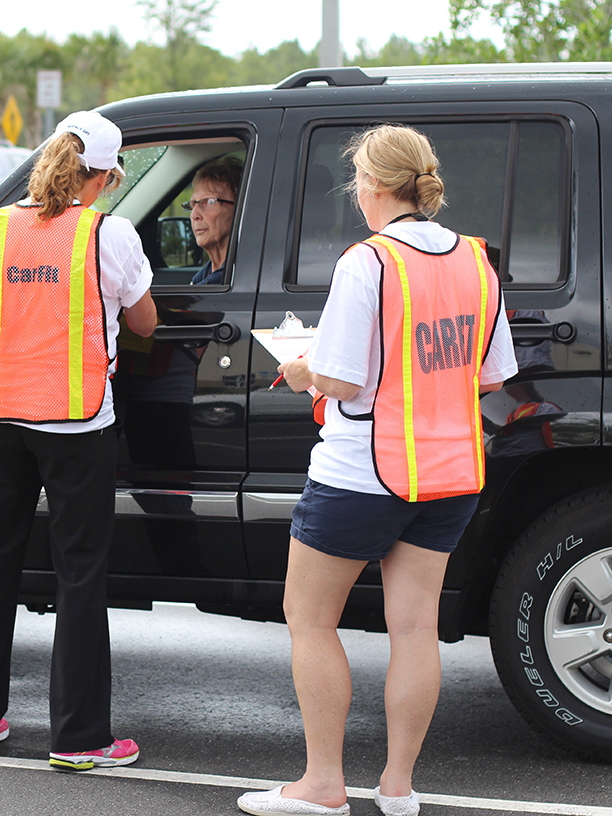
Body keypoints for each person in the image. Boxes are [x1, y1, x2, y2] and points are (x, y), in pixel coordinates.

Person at [238, 125, 518, 816]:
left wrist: (300, 368)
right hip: (448, 472)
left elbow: (336, 376)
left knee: (308, 617)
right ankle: (398, 788)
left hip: (361, 473)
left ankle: (323, 786)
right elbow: (492, 376)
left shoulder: (369, 261)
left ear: (372, 186)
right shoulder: (477, 261)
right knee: (416, 628)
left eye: (357, 181)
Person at [0, 110, 157, 771]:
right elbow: (144, 319)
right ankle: (82, 738)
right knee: (80, 575)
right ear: (107, 177)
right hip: (79, 424)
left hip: (0, 418)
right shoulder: (106, 236)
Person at [186, 155, 243, 285]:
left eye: (209, 202)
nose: (194, 215)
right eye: (193, 204)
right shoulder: (208, 271)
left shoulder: (233, 277)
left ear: (240, 208)